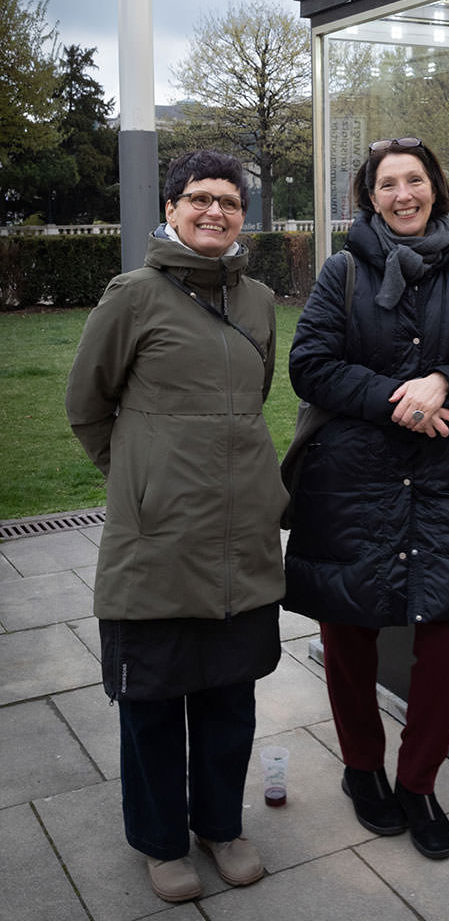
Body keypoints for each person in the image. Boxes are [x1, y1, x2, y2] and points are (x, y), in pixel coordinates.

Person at [65, 151, 287, 904]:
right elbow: (86, 406)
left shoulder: (258, 300)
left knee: (229, 697)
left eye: (228, 201)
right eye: (199, 199)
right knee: (153, 703)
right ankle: (161, 842)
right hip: (156, 542)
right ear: (171, 207)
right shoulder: (132, 296)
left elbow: (254, 397)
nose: (215, 212)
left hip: (239, 541)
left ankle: (220, 826)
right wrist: (140, 481)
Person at [283, 137, 449, 860]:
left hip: (438, 485)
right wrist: (393, 400)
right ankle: (361, 770)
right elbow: (309, 366)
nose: (403, 194)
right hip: (350, 482)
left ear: (436, 191)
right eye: (388, 184)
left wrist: (442, 382)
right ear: (369, 196)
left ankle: (417, 782)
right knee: (349, 639)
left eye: (415, 181)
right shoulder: (342, 271)